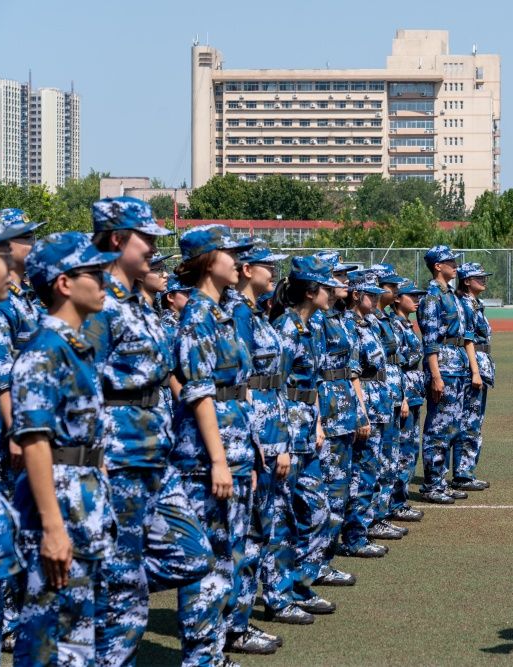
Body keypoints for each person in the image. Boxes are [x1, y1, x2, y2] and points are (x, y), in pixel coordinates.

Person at [84, 197, 214, 667]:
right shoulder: (96, 303)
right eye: (147, 240)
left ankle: (106, 585)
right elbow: (82, 384)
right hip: (117, 456)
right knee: (125, 611)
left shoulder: (139, 304)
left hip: (155, 453)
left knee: (193, 554)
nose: (154, 250)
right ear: (118, 240)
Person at [11, 232, 120, 667]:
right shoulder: (45, 350)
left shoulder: (75, 347)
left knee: (77, 638)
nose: (105, 283)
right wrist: (53, 529)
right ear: (64, 284)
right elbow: (35, 441)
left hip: (84, 500)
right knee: (47, 638)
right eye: (95, 274)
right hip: (58, 504)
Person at [170, 225, 255, 667]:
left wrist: (247, 452)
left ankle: (213, 651)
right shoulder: (198, 316)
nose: (238, 261)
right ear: (207, 262)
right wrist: (219, 460)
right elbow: (200, 392)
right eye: (229, 253)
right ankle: (200, 656)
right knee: (205, 561)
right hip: (207, 456)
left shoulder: (221, 312)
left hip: (233, 449)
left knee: (227, 555)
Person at [221, 239, 293, 653]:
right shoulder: (238, 316)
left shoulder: (255, 312)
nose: (274, 272)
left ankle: (241, 619)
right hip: (255, 434)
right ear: (247, 270)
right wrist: (258, 445)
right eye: (268, 265)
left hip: (269, 428)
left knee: (260, 529)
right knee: (247, 536)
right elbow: (241, 385)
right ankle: (234, 625)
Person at [0, 207, 42, 653]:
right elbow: (4, 381)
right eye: (0, 250)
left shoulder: (15, 299)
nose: (26, 250)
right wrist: (17, 432)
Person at [267, 256, 342, 622]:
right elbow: (273, 388)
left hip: (307, 429)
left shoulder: (307, 327)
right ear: (311, 291)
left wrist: (317, 424)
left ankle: (299, 583)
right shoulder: (286, 328)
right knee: (282, 518)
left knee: (318, 509)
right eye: (327, 287)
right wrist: (280, 441)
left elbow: (310, 384)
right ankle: (279, 596)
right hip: (288, 432)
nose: (333, 293)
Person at [308, 252, 373, 577]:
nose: (346, 281)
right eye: (339, 275)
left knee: (340, 487)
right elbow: (312, 375)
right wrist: (318, 421)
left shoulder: (339, 318)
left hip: (344, 408)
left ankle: (325, 559)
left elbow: (351, 370)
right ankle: (316, 563)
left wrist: (360, 411)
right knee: (326, 491)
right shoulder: (316, 321)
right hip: (328, 412)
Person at [416, 245, 482, 504]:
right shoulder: (432, 297)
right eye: (450, 262)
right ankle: (432, 484)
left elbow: (465, 334)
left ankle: (441, 482)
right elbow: (430, 341)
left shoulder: (452, 295)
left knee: (452, 427)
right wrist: (436, 376)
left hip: (457, 366)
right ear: (437, 266)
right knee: (438, 428)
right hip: (443, 367)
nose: (455, 266)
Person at [338, 270, 391, 557]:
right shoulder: (349, 325)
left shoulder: (369, 324)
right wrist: (361, 414)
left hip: (378, 400)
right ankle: (354, 537)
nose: (376, 299)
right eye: (371, 294)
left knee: (373, 469)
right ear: (356, 295)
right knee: (362, 472)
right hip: (365, 402)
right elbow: (353, 374)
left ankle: (366, 527)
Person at [365, 264, 409, 541]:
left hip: (388, 393)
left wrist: (401, 394)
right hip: (375, 396)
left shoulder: (384, 319)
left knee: (389, 458)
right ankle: (373, 518)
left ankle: (382, 513)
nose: (396, 290)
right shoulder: (368, 320)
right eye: (391, 286)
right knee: (377, 460)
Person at [387, 280, 427, 523]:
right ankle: (395, 503)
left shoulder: (406, 324)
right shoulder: (394, 325)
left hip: (413, 393)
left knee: (410, 449)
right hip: (404, 395)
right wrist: (402, 397)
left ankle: (399, 501)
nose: (417, 300)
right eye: (411, 296)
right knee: (402, 451)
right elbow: (396, 366)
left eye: (418, 296)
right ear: (397, 299)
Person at [453, 262, 495, 491]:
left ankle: (466, 471)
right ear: (467, 281)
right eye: (479, 277)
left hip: (480, 364)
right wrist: (475, 371)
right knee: (469, 421)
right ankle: (463, 474)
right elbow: (467, 340)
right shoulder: (464, 304)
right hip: (473, 366)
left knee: (474, 421)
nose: (484, 280)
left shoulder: (475, 304)